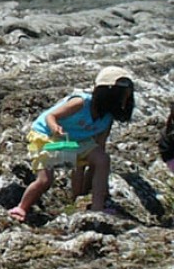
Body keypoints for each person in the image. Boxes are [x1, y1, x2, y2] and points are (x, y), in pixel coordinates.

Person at [9, 66, 136, 222]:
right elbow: (51, 116)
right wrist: (55, 128)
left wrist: (96, 176)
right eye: (121, 97)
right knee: (45, 180)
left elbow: (99, 146)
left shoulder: (107, 117)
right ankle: (21, 207)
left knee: (102, 160)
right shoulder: (81, 102)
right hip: (46, 137)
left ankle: (97, 207)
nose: (123, 103)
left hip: (75, 140)